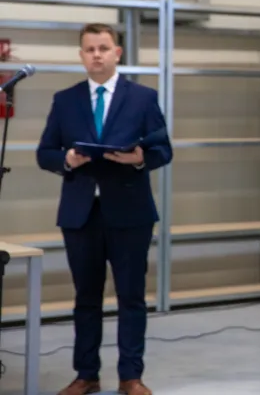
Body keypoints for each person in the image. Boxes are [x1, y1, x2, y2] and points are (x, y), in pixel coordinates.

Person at [36, 23, 172, 395]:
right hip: (80, 214)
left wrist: (139, 158)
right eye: (90, 49)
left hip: (130, 212)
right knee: (86, 298)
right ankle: (86, 375)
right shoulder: (65, 100)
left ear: (117, 53)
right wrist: (66, 160)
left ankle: (131, 376)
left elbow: (163, 150)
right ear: (81, 55)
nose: (96, 54)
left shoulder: (143, 98)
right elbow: (44, 153)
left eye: (103, 48)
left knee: (131, 297)